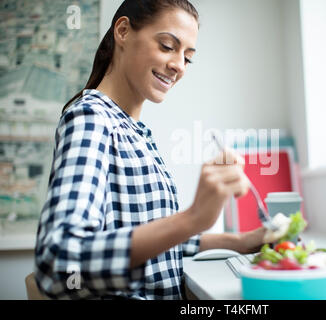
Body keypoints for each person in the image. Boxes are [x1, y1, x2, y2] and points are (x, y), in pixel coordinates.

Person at [34, 0, 268, 300]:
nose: (179, 66)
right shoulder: (92, 119)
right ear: (123, 31)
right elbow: (58, 264)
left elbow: (152, 241)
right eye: (168, 46)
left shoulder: (135, 131)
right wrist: (192, 217)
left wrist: (241, 242)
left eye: (188, 57)